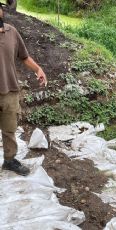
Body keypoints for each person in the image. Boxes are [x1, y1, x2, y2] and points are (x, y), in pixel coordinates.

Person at [0, 4, 47, 176]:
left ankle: (9, 160)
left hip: (9, 90)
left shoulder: (12, 32)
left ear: (2, 11)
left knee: (9, 128)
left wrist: (38, 70)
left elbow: (24, 56)